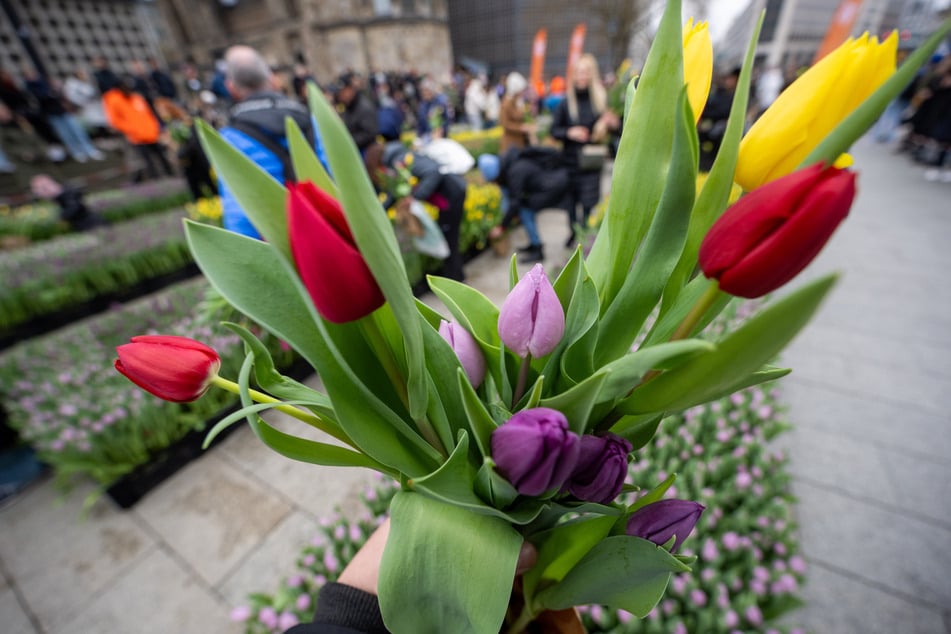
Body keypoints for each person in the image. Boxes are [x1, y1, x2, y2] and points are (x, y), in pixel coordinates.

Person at [218, 45, 327, 238]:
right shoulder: (309, 118)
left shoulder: (231, 137)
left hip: (279, 243)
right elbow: (332, 177)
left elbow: (239, 214)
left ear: (231, 88)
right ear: (272, 79)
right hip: (325, 230)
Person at [365, 140, 467, 281]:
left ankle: (455, 279)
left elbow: (433, 172)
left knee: (450, 237)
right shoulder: (397, 159)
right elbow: (396, 191)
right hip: (448, 197)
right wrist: (379, 211)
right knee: (448, 236)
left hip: (452, 195)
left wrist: (415, 197)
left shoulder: (400, 160)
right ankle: (454, 276)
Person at [550, 54, 619, 246]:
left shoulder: (601, 101)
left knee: (589, 205)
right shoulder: (566, 103)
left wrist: (611, 124)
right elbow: (554, 130)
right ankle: (573, 234)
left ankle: (585, 237)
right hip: (570, 162)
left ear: (592, 75)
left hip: (591, 163)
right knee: (570, 204)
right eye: (579, 72)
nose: (582, 76)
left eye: (586, 72)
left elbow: (617, 130)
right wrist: (569, 132)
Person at [23, 68, 105, 163]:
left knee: (78, 131)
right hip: (52, 114)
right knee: (66, 134)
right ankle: (77, 152)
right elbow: (41, 97)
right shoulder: (30, 87)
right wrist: (50, 95)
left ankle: (90, 150)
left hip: (63, 111)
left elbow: (57, 93)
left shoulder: (44, 81)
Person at [102, 73, 173, 178]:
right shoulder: (113, 100)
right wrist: (132, 129)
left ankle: (170, 174)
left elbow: (148, 113)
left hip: (151, 132)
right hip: (136, 136)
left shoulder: (136, 97)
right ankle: (156, 178)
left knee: (161, 155)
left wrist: (155, 127)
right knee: (147, 160)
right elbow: (115, 121)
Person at [697, 66, 739, 172]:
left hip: (720, 131)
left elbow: (724, 111)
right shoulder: (720, 92)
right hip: (709, 126)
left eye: (730, 78)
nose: (727, 81)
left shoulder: (736, 97)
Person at [30, 174, 102, 231]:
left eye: (43, 189)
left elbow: (74, 207)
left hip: (91, 223)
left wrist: (60, 218)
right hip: (82, 226)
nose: (42, 193)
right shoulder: (58, 197)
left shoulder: (67, 193)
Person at [335, 72, 378, 154]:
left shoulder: (364, 107)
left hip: (365, 151)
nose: (340, 95)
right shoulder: (347, 106)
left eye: (343, 92)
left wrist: (348, 141)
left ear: (350, 90)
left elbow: (369, 133)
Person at [499, 72, 536, 156]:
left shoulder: (520, 102)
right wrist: (521, 128)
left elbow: (526, 117)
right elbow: (505, 124)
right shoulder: (506, 103)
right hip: (510, 143)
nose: (522, 92)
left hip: (521, 142)